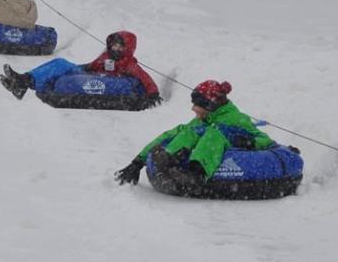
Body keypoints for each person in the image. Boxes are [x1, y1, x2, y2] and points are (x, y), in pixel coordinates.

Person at [114, 79, 278, 186]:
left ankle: (197, 175)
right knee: (187, 131)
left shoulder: (236, 119)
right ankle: (167, 159)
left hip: (231, 147)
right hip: (206, 142)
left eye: (197, 104)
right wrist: (138, 162)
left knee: (213, 133)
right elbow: (171, 134)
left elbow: (265, 140)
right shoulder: (204, 119)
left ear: (211, 105)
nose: (193, 108)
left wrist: (251, 142)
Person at [0, 29, 158, 101]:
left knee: (61, 65)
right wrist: (79, 68)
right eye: (114, 45)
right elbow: (92, 66)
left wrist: (153, 94)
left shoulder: (128, 63)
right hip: (91, 75)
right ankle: (24, 81)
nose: (115, 48)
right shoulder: (106, 56)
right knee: (59, 64)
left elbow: (145, 79)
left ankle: (23, 82)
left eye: (120, 46)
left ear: (127, 48)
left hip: (106, 82)